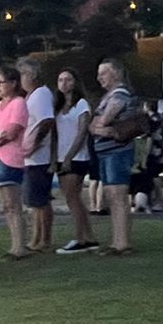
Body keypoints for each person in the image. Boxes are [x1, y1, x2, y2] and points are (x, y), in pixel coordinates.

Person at [87, 58, 143, 255]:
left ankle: (122, 243)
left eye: (103, 73)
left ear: (116, 74)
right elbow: (94, 126)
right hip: (107, 151)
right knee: (113, 195)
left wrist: (100, 128)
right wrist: (100, 128)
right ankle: (117, 241)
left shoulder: (119, 95)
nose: (99, 78)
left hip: (116, 152)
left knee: (118, 196)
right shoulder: (109, 97)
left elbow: (101, 121)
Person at [51, 69, 98, 254]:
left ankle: (80, 238)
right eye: (60, 79)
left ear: (74, 82)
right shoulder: (58, 106)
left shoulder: (81, 104)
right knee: (72, 198)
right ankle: (89, 237)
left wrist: (70, 156)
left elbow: (81, 132)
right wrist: (55, 158)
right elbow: (55, 135)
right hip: (61, 157)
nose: (64, 83)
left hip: (77, 157)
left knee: (73, 197)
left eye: (68, 79)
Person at [0, 65, 30, 259]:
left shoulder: (19, 103)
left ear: (13, 83)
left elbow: (12, 132)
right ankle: (14, 245)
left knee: (13, 203)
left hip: (11, 159)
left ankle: (20, 246)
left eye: (1, 82)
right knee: (6, 204)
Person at [16, 57, 57, 251]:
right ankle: (37, 237)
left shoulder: (40, 94)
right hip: (31, 157)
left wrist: (34, 144)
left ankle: (43, 239)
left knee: (40, 200)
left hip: (39, 157)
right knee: (35, 201)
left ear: (31, 75)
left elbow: (46, 122)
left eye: (22, 74)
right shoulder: (31, 96)